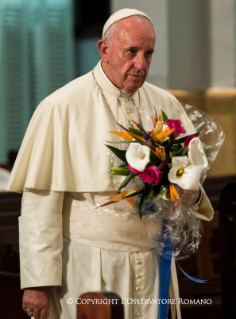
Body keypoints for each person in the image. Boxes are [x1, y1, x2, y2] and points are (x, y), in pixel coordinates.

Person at [7, 8, 213, 319]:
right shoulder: (60, 107)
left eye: (148, 53)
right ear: (104, 49)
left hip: (154, 262)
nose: (140, 64)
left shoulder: (165, 104)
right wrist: (38, 283)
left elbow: (188, 181)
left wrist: (189, 193)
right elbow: (41, 205)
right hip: (89, 266)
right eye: (131, 51)